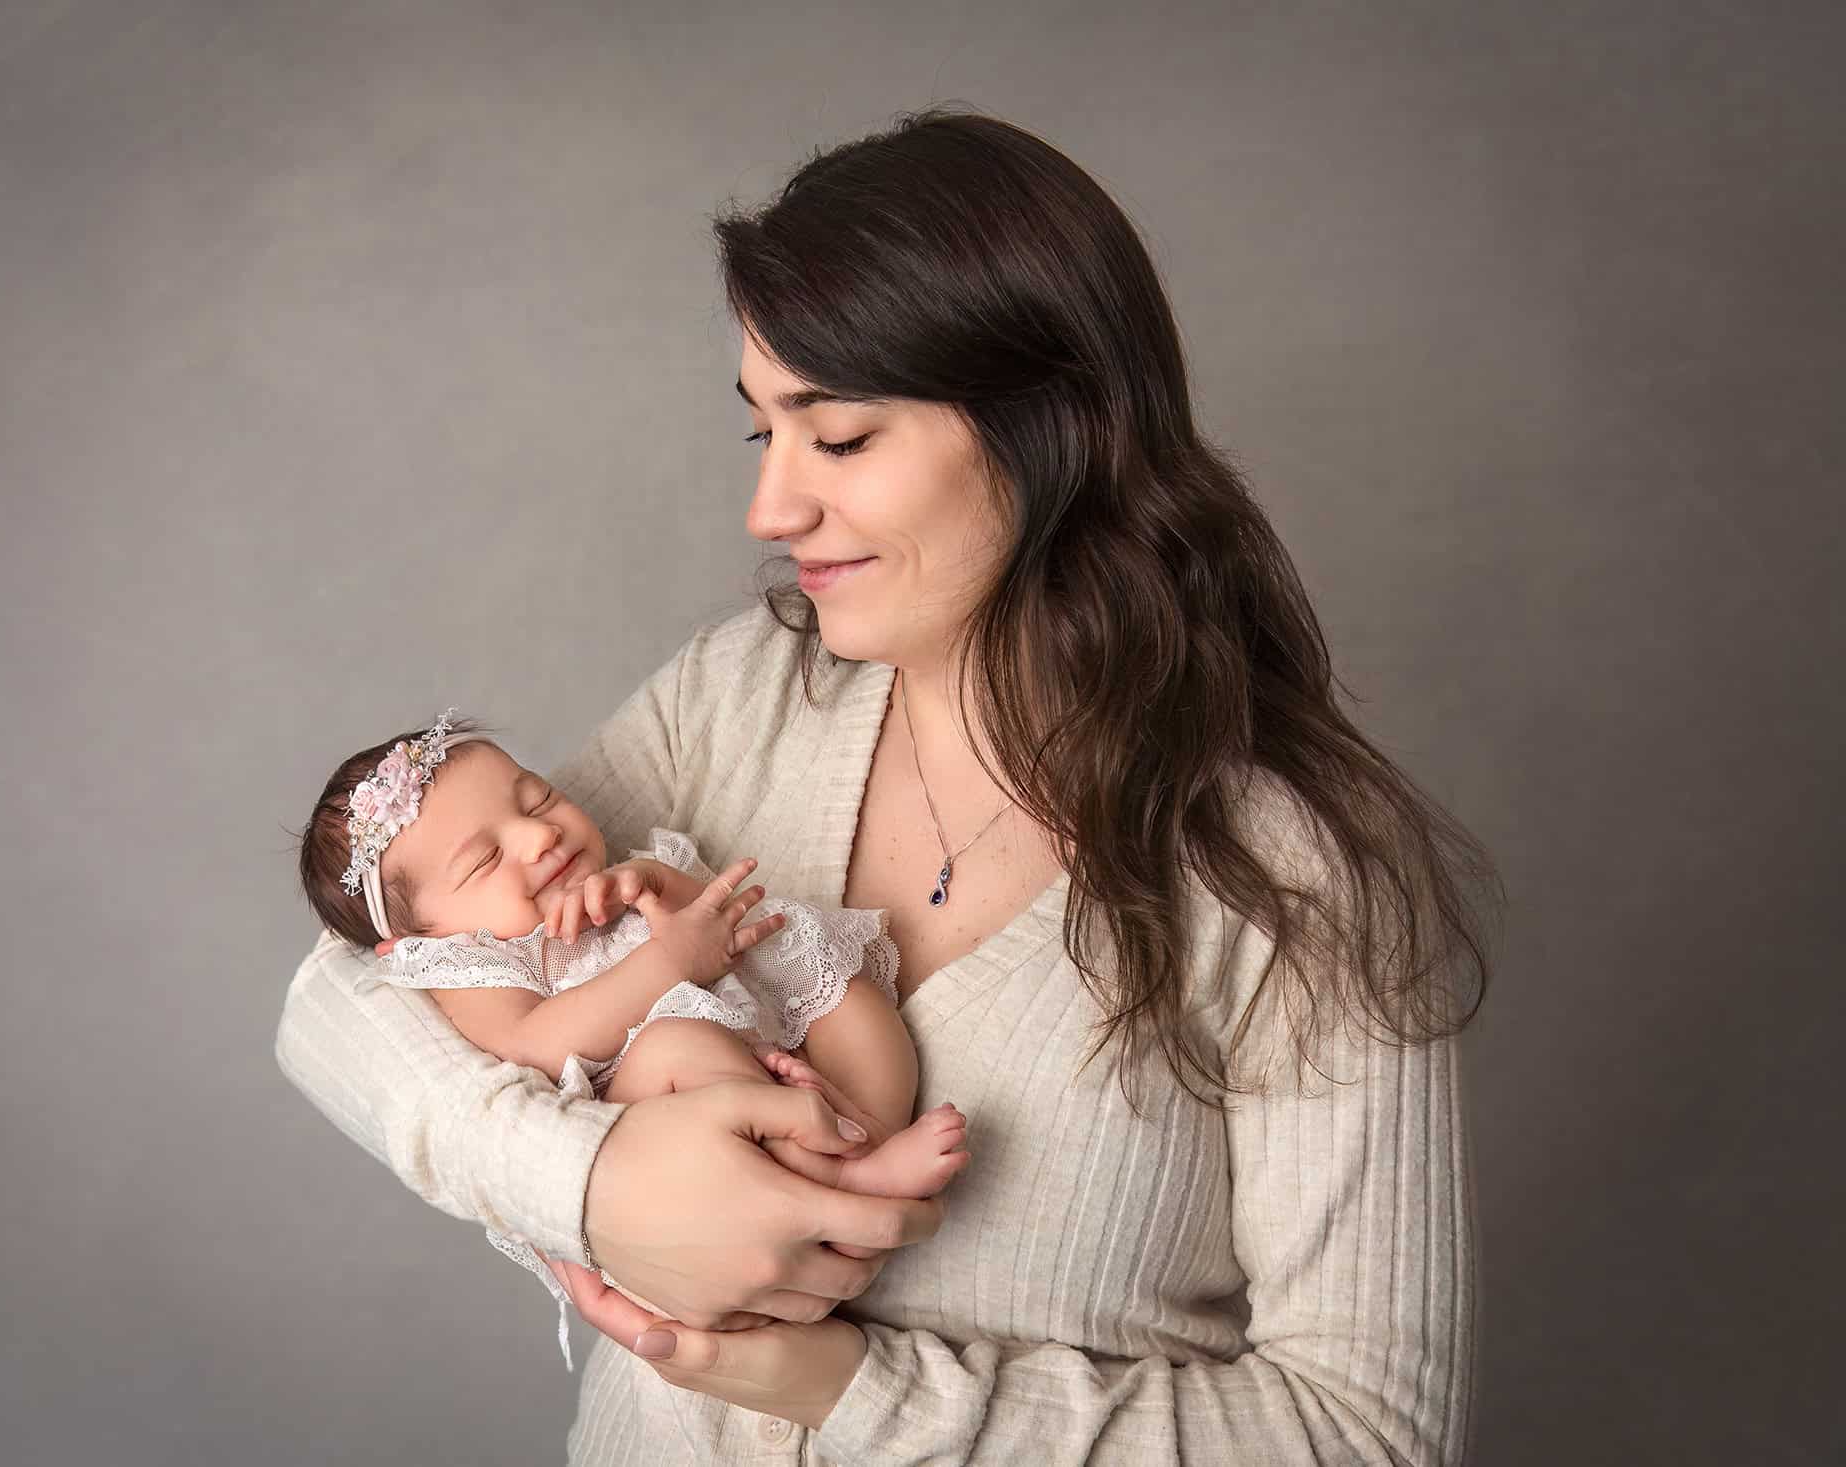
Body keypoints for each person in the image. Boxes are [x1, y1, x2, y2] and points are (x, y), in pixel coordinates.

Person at [275, 105, 1498, 1464]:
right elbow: (353, 981)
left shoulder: (1295, 871)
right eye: (764, 436)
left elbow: (1364, 1434)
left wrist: (845, 1385)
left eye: (840, 437)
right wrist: (592, 1180)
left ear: (1057, 431)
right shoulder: (739, 698)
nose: (772, 509)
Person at [290, 709, 970, 1370]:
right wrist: (670, 962)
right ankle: (844, 1181)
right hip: (665, 1127)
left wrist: (655, 884)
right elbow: (532, 1043)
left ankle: (870, 1128)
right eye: (486, 858)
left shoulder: (607, 875)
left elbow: (705, 911)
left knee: (836, 981)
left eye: (537, 799)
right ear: (420, 938)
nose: (538, 838)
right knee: (676, 1042)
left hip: (760, 1041)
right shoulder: (471, 966)